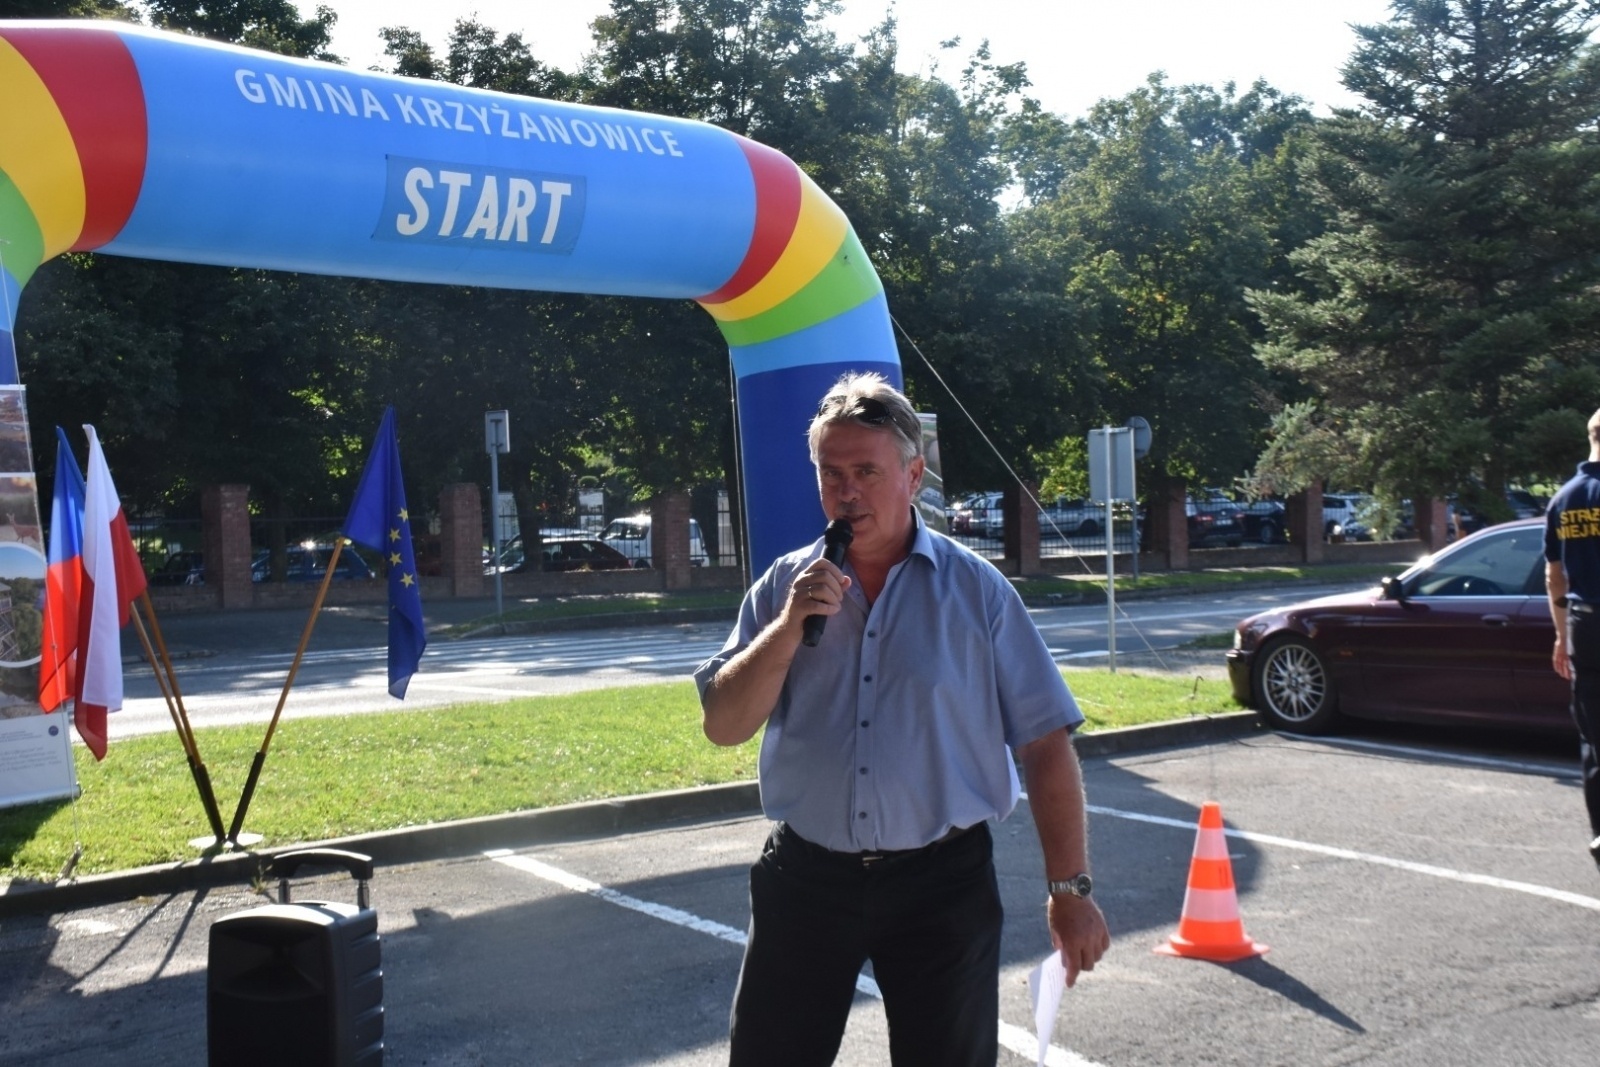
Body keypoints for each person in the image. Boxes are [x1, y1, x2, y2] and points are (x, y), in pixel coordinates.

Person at [694, 372, 1110, 1066]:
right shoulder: (783, 587)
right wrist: (790, 627)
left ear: (913, 475)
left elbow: (1044, 744)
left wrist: (1070, 890)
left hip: (941, 886)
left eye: (866, 471)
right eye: (831, 473)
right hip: (808, 880)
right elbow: (724, 724)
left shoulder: (978, 592)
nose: (847, 491)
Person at [1544, 407, 1600, 875]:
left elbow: (1553, 578)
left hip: (1585, 626)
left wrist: (1562, 638)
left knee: (1593, 738)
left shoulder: (1563, 499)